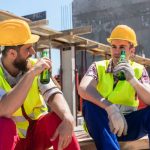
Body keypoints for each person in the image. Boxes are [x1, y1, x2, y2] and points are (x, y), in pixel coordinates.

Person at [0, 19, 80, 150]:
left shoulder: (33, 64)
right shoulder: (33, 69)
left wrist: (67, 116)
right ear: (12, 53)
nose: (32, 52)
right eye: (27, 48)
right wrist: (31, 74)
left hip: (37, 135)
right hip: (12, 142)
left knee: (59, 118)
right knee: (3, 124)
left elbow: (52, 93)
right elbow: (4, 110)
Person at [78, 24, 150, 150]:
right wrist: (110, 108)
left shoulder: (139, 70)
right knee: (88, 105)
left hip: (128, 126)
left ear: (131, 51)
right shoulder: (98, 67)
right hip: (102, 125)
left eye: (122, 47)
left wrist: (133, 80)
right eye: (113, 47)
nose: (116, 52)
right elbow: (83, 89)